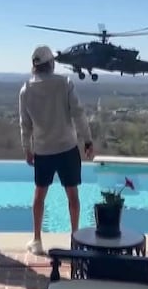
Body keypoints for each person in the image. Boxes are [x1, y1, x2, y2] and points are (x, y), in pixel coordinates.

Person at [19, 45, 93, 255]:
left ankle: (37, 240)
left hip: (43, 150)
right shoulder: (64, 83)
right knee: (73, 196)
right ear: (51, 63)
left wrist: (27, 148)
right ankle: (75, 238)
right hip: (67, 148)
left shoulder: (25, 90)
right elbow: (78, 113)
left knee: (39, 195)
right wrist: (87, 140)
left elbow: (25, 124)